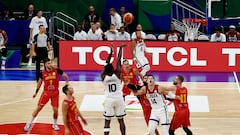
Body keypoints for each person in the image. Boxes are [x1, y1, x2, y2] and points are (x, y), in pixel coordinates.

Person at [24, 58, 69, 132]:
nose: (50, 64)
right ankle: (29, 123)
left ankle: (54, 124)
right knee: (38, 108)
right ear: (45, 64)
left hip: (55, 93)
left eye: (50, 63)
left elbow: (65, 76)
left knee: (55, 110)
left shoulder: (56, 70)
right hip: (46, 93)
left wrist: (67, 82)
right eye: (48, 63)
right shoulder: (42, 73)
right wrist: (36, 92)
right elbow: (39, 83)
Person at [101, 43, 126, 135]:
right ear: (113, 69)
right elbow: (118, 60)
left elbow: (106, 63)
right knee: (121, 120)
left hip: (109, 99)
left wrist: (111, 51)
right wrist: (120, 49)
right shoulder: (118, 74)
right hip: (119, 98)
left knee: (107, 121)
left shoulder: (103, 76)